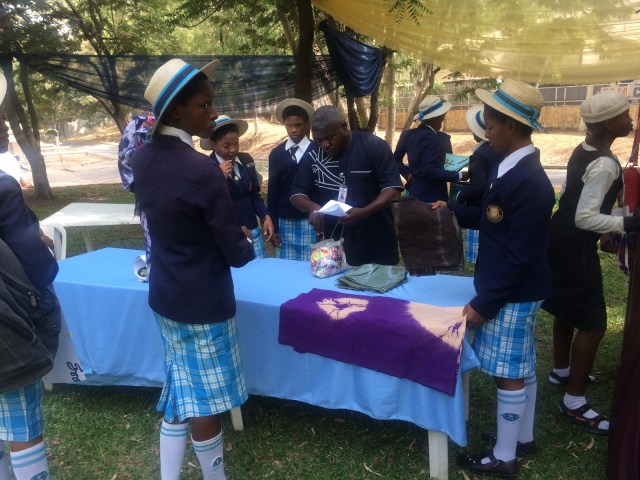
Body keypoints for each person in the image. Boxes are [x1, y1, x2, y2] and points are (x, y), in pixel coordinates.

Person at [132, 59, 255, 480]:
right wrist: (246, 243)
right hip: (203, 301)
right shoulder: (202, 169)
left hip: (165, 293)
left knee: (180, 387)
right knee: (205, 402)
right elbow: (234, 250)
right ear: (176, 111)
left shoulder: (142, 157)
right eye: (204, 105)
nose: (212, 112)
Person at [433, 79, 555, 478]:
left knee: (509, 373)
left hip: (513, 292)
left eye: (490, 123)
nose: (486, 130)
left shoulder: (530, 183)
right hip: (510, 287)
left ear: (512, 127)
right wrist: (452, 210)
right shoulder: (509, 167)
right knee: (522, 365)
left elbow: (520, 256)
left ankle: (504, 457)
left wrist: (484, 304)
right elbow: (493, 221)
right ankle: (522, 437)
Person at [542, 91, 639, 436]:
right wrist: (629, 223)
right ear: (609, 123)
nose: (630, 119)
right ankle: (574, 402)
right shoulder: (605, 163)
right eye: (625, 115)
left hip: (558, 237)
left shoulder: (584, 149)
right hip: (575, 246)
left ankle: (562, 372)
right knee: (594, 323)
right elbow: (585, 218)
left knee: (567, 309)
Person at [0, 74, 60, 480]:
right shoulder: (3, 188)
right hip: (8, 332)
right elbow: (38, 265)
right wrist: (42, 247)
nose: (6, 124)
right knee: (22, 424)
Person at [291, 105, 402, 267]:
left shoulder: (373, 146)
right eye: (319, 140)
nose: (325, 145)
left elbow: (393, 190)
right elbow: (297, 195)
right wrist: (313, 207)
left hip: (376, 239)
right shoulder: (313, 155)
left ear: (344, 127)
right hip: (334, 246)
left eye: (330, 138)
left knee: (379, 281)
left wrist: (365, 212)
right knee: (337, 283)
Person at [201, 115, 274, 258]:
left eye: (236, 143)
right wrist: (219, 178)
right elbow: (210, 205)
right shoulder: (208, 167)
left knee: (259, 267)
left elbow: (255, 195)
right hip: (229, 235)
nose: (233, 149)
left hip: (253, 229)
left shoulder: (246, 161)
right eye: (226, 146)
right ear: (214, 144)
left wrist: (265, 216)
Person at [267, 99, 318, 260]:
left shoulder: (317, 150)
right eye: (289, 125)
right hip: (285, 220)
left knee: (313, 263)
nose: (294, 130)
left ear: (307, 123)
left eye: (298, 125)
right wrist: (274, 225)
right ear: (284, 124)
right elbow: (273, 191)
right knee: (286, 265)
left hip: (311, 220)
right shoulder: (277, 154)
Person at [393, 95, 464, 202]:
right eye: (442, 117)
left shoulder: (444, 138)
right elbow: (430, 170)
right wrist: (459, 175)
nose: (442, 120)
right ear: (438, 118)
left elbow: (448, 164)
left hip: (423, 192)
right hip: (432, 196)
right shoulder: (414, 136)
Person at [454, 104, 502, 263]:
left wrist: (458, 196)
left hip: (479, 208)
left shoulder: (479, 155)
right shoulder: (498, 150)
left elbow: (478, 186)